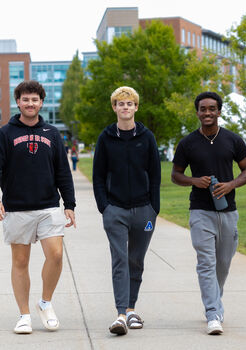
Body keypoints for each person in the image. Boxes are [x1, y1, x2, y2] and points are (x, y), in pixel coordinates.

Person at [0, 80, 77, 334]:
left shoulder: (52, 133)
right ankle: (24, 315)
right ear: (18, 102)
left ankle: (45, 303)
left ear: (41, 103)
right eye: (25, 99)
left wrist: (69, 204)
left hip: (48, 206)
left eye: (35, 99)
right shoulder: (5, 133)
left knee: (56, 255)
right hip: (16, 208)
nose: (30, 103)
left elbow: (62, 171)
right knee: (20, 261)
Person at [171, 91, 246, 335]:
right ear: (197, 112)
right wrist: (194, 181)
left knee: (223, 264)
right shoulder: (187, 143)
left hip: (228, 211)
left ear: (219, 111)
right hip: (200, 212)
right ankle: (213, 314)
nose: (207, 113)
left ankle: (215, 302)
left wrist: (231, 185)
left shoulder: (233, 140)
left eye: (212, 109)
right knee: (206, 263)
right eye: (203, 109)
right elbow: (176, 175)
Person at [92, 86, 161, 336]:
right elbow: (98, 175)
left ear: (136, 107)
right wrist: (105, 207)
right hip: (115, 210)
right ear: (114, 108)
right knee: (120, 260)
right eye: (120, 104)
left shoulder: (147, 137)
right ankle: (121, 314)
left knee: (136, 260)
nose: (125, 107)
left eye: (129, 104)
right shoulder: (106, 137)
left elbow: (155, 174)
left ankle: (132, 309)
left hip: (144, 211)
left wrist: (154, 208)